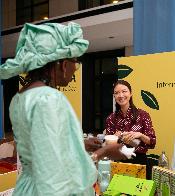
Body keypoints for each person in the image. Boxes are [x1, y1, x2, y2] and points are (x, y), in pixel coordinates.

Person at [0, 22, 126, 196]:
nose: (75, 68)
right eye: (75, 61)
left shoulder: (19, 98)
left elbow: (42, 146)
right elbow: (57, 172)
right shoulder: (49, 98)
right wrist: (103, 152)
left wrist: (80, 144)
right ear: (61, 63)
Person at [105, 80, 156, 166]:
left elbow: (152, 142)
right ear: (114, 96)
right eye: (117, 93)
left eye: (124, 91)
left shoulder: (143, 115)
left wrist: (140, 135)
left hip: (139, 162)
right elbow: (108, 147)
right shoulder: (111, 118)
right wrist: (115, 139)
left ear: (130, 93)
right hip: (118, 162)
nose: (121, 95)